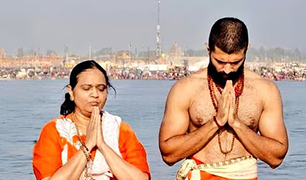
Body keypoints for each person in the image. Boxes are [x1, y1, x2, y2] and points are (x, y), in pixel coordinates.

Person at [159, 17, 288, 180]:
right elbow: (168, 155)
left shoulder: (264, 90)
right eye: (219, 61)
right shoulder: (186, 89)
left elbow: (276, 158)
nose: (227, 69)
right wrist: (216, 123)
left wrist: (236, 123)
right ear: (208, 50)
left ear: (246, 49)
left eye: (235, 62)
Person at [33, 60, 150, 180]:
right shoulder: (54, 131)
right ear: (71, 92)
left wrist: (102, 145)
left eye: (101, 89)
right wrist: (88, 145)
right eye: (86, 88)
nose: (95, 94)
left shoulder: (120, 130)